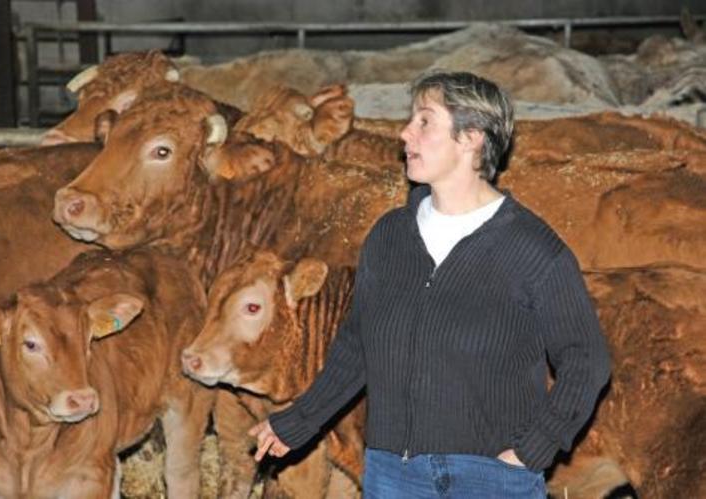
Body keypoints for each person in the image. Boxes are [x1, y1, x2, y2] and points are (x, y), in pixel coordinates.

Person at [250, 71, 611, 498]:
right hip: (392, 473)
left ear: (472, 137)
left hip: (489, 477)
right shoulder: (390, 237)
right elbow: (358, 347)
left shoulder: (530, 247)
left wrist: (532, 450)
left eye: (424, 121)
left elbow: (586, 359)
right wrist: (300, 420)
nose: (405, 133)